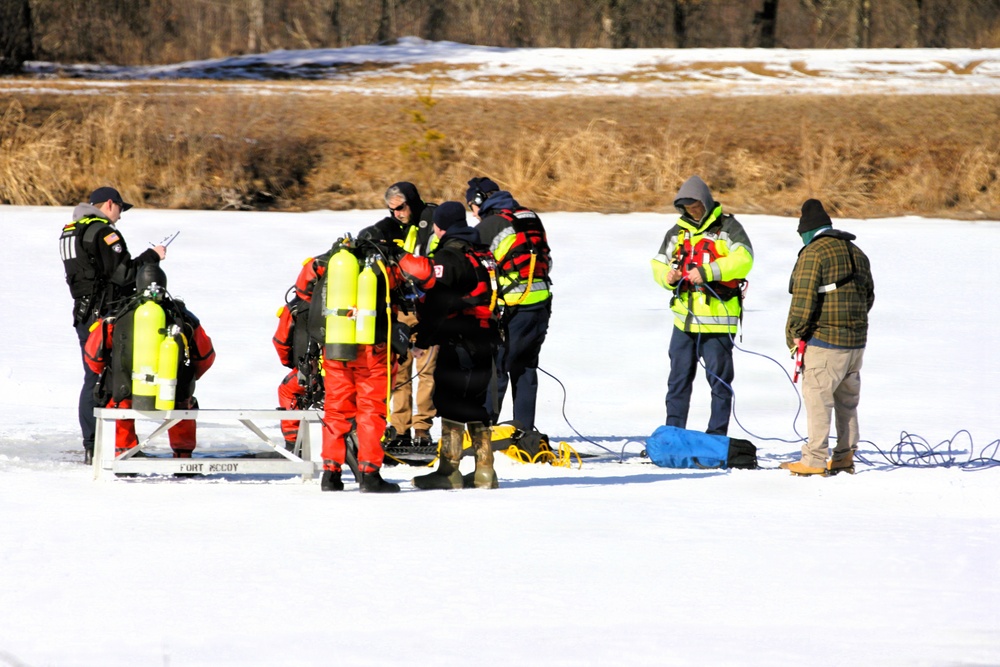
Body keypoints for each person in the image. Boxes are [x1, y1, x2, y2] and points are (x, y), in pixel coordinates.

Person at [60, 186, 167, 464]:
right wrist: (152, 257)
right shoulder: (103, 232)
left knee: (92, 377)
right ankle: (119, 446)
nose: (120, 216)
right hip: (104, 316)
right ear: (109, 204)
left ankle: (93, 445)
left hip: (84, 315)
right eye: (120, 209)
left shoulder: (71, 230)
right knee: (117, 379)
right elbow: (125, 275)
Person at [397, 202, 500, 490]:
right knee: (476, 405)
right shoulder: (481, 252)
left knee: (452, 404)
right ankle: (485, 472)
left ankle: (449, 471)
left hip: (459, 340)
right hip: (486, 337)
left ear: (440, 227)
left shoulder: (449, 255)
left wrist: (423, 339)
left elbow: (438, 303)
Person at [293, 234, 402, 493]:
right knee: (370, 411)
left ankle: (330, 474)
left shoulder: (326, 262)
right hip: (371, 350)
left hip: (336, 345)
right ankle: (369, 474)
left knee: (336, 410)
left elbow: (302, 289)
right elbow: (417, 280)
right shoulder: (382, 266)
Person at [650, 175, 753, 436]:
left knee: (719, 384)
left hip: (718, 323)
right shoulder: (676, 233)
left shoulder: (729, 227)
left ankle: (716, 436)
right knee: (677, 382)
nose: (692, 211)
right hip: (683, 322)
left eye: (696, 205)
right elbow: (658, 263)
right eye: (686, 207)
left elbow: (744, 259)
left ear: (705, 202)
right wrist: (667, 277)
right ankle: (674, 434)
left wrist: (709, 271)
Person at [781, 199, 875, 476]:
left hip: (825, 344)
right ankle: (845, 457)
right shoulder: (857, 251)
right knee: (847, 403)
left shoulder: (814, 253)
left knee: (818, 400)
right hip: (856, 345)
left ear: (806, 232)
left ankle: (813, 461)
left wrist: (794, 335)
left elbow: (803, 299)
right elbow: (868, 296)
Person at [84, 265, 214, 458]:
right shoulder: (182, 316)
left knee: (117, 403)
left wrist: (114, 373)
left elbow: (93, 356)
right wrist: (189, 376)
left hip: (126, 390)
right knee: (183, 404)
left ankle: (124, 453)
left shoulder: (116, 316)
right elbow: (205, 356)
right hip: (173, 390)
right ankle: (183, 456)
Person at [467, 177, 552, 433]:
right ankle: (524, 431)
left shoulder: (492, 224)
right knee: (525, 367)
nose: (472, 212)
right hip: (541, 304)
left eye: (471, 205)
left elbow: (470, 263)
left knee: (497, 368)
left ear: (480, 201)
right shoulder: (530, 216)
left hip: (514, 307)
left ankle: (483, 433)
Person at [367, 182, 440, 453]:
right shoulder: (390, 225)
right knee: (399, 369)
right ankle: (399, 427)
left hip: (428, 307)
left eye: (401, 207)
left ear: (412, 201)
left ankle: (422, 427)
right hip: (400, 308)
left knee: (427, 371)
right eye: (392, 209)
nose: (397, 213)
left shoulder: (433, 219)